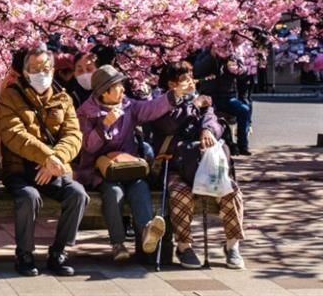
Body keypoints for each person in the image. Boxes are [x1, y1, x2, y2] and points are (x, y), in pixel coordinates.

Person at [0, 43, 87, 277]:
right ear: (25, 72)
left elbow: (73, 135)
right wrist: (48, 157)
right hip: (19, 170)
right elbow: (13, 134)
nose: (41, 73)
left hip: (54, 169)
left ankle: (59, 252)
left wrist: (56, 159)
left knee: (77, 194)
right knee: (29, 197)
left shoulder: (63, 98)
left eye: (46, 67)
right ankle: (24, 254)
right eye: (35, 68)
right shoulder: (10, 95)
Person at [76, 65, 180, 262]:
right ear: (104, 92)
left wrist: (172, 96)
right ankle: (118, 243)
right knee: (114, 192)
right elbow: (87, 146)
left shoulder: (128, 106)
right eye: (118, 86)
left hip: (129, 167)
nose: (123, 90)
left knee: (140, 187)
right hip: (101, 172)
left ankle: (147, 234)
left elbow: (150, 109)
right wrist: (104, 124)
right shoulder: (85, 113)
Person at [151, 61, 247, 270]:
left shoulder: (202, 100)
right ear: (171, 84)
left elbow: (214, 121)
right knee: (180, 194)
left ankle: (232, 245)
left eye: (191, 77)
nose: (190, 82)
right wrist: (192, 106)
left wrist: (207, 130)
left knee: (231, 191)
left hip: (204, 165)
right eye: (184, 80)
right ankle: (184, 246)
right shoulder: (161, 103)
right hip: (176, 165)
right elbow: (167, 124)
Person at [203, 57, 253, 156]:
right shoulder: (206, 54)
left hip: (228, 97)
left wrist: (236, 69)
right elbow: (199, 69)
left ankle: (243, 145)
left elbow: (243, 74)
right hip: (210, 96)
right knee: (211, 115)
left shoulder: (233, 56)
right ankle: (227, 144)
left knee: (244, 110)